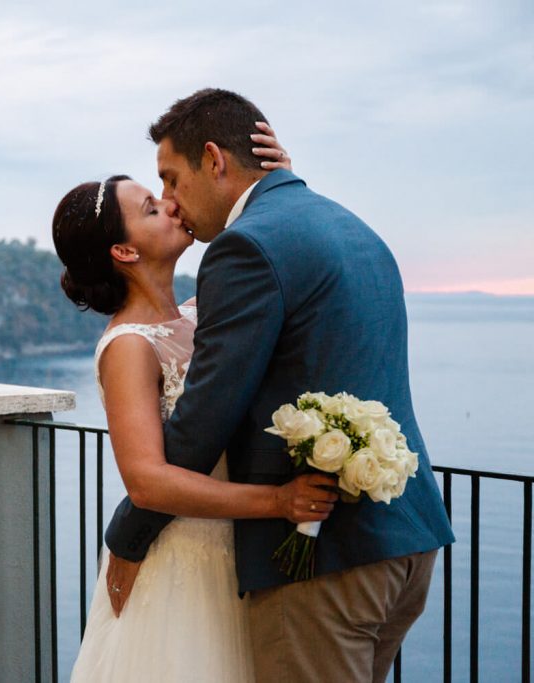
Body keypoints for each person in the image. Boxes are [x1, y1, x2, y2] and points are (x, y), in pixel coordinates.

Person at [100, 89, 455, 682]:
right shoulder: (350, 225)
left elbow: (202, 420)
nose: (169, 200)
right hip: (408, 541)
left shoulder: (246, 248)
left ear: (214, 159)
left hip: (324, 559)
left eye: (171, 178)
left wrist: (129, 538)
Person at [53, 128, 338, 682]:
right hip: (179, 564)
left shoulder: (199, 310)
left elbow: (271, 251)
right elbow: (147, 483)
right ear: (125, 250)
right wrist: (277, 501)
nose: (173, 204)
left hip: (232, 557)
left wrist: (275, 183)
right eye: (152, 206)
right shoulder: (129, 346)